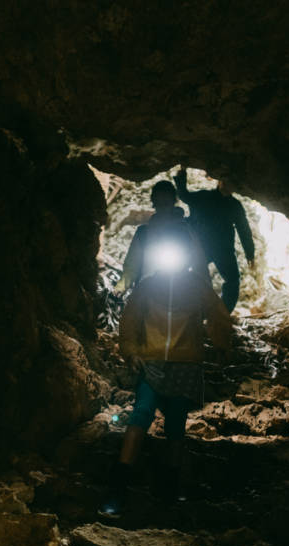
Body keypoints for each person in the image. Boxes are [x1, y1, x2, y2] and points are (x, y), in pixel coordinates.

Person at [100, 198, 231, 518]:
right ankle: (118, 486)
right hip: (152, 361)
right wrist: (129, 350)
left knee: (175, 426)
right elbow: (130, 319)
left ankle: (170, 489)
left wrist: (223, 346)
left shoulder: (197, 286)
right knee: (140, 416)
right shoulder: (149, 286)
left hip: (185, 363)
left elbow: (217, 316)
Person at [174, 167, 255, 312]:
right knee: (180, 273)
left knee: (233, 281)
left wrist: (250, 252)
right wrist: (182, 174)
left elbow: (244, 229)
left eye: (232, 183)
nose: (229, 186)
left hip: (222, 249)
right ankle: (180, 309)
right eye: (226, 181)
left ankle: (222, 313)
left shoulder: (235, 206)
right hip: (199, 247)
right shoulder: (204, 196)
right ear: (220, 182)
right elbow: (184, 195)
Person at [114, 181, 209, 293]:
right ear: (154, 202)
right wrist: (120, 288)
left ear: (173, 202)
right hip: (147, 293)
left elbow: (200, 265)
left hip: (179, 293)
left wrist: (206, 294)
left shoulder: (186, 231)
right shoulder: (143, 232)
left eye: (166, 202)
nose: (163, 206)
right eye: (159, 202)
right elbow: (132, 266)